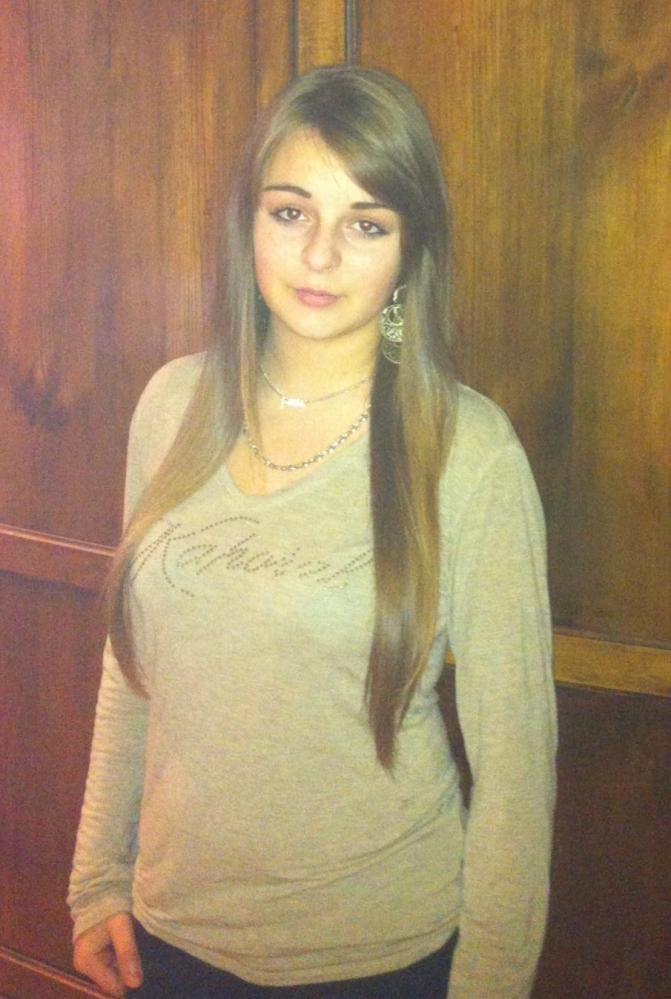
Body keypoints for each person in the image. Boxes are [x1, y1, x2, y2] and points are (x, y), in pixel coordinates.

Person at [68, 66, 557, 999]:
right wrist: (97, 878)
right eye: (291, 212)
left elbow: (516, 768)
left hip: (376, 958)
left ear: (410, 250)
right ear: (248, 222)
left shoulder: (469, 451)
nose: (319, 254)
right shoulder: (171, 406)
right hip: (168, 937)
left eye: (366, 224)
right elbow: (130, 669)